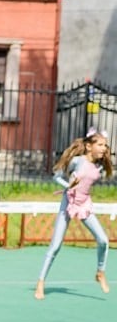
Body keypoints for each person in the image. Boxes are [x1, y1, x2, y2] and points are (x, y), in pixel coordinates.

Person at [34, 129, 114, 300]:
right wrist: (68, 186)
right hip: (68, 202)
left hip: (84, 204)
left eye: (105, 145)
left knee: (103, 241)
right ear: (88, 146)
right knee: (55, 246)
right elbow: (56, 176)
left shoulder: (99, 165)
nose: (104, 148)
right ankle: (40, 283)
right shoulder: (77, 161)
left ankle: (100, 272)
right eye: (100, 145)